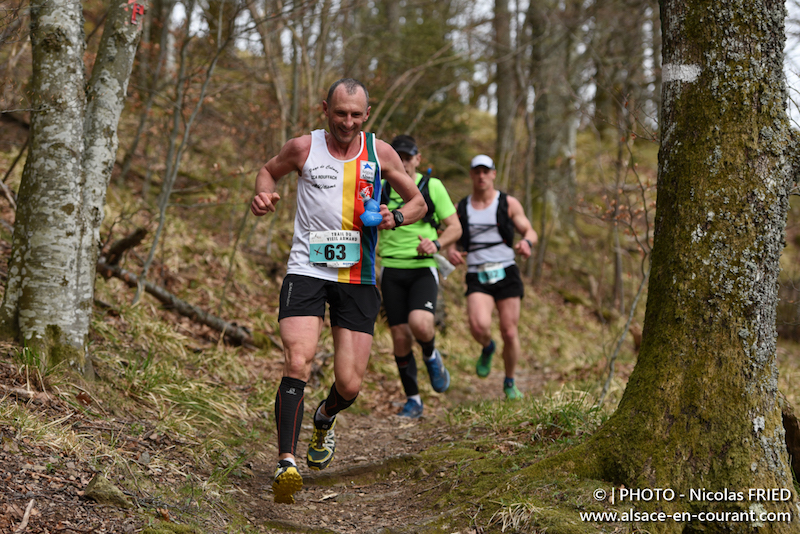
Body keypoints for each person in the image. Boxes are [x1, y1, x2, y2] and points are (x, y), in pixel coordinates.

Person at [250, 78, 426, 505]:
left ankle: (325, 417)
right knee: (298, 359)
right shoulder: (303, 147)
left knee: (349, 383)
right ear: (325, 109)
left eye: (355, 114)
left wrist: (394, 218)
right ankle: (286, 463)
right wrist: (262, 194)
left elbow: (417, 202)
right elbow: (268, 170)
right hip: (307, 268)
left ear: (366, 115)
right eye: (339, 112)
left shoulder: (380, 152)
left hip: (358, 275)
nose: (347, 121)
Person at [377, 135, 462, 418]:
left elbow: (455, 227)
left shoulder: (432, 187)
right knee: (400, 338)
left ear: (417, 159)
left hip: (422, 267)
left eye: (407, 156)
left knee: (421, 324)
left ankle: (431, 355)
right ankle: (413, 399)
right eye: (397, 156)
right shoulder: (381, 188)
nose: (403, 161)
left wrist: (436, 245)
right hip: (391, 269)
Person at [445, 154, 537, 400]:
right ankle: (487, 347)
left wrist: (527, 243)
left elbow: (529, 231)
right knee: (478, 325)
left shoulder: (508, 203)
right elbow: (450, 239)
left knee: (509, 331)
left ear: (493, 174)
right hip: (477, 273)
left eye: (486, 171)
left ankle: (509, 381)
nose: (482, 176)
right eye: (477, 171)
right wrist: (451, 252)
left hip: (506, 271)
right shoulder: (461, 208)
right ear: (472, 175)